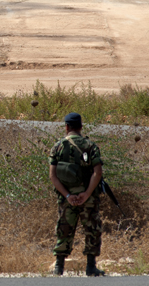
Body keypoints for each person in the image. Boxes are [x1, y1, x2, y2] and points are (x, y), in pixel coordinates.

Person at [48, 112, 105, 277]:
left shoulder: (57, 147)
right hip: (88, 199)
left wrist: (67, 196)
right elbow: (98, 172)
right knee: (92, 229)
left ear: (66, 127)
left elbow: (53, 176)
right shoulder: (90, 146)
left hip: (66, 199)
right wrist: (86, 194)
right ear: (80, 127)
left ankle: (59, 267)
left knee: (64, 229)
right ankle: (91, 267)